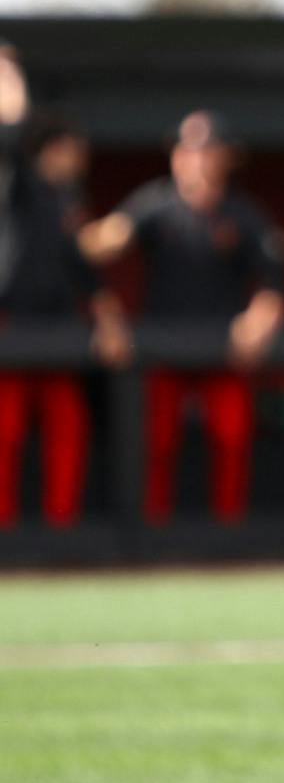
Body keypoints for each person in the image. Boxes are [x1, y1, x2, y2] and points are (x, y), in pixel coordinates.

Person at [81, 111, 284, 523]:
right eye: (186, 149)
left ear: (225, 157)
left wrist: (259, 321)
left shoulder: (243, 214)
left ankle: (228, 533)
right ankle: (151, 536)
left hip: (223, 350)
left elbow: (276, 280)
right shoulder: (155, 204)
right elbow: (100, 245)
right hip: (163, 346)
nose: (195, 159)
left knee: (231, 438)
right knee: (155, 442)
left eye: (206, 150)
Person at [0, 47, 130, 527]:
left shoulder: (69, 198)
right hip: (11, 327)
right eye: (72, 148)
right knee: (5, 430)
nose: (80, 156)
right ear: (51, 149)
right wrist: (10, 81)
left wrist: (110, 318)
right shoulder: (17, 180)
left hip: (58, 331)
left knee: (68, 425)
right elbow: (13, 135)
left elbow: (84, 269)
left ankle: (62, 533)